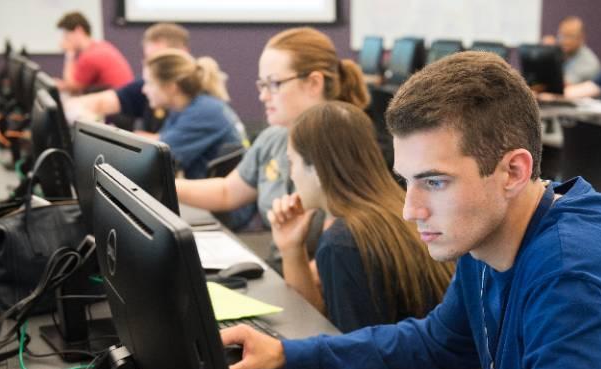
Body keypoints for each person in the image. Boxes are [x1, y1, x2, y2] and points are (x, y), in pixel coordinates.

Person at [221, 51, 601, 369]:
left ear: (513, 171)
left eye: (435, 182)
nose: (410, 209)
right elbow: (435, 344)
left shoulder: (573, 279)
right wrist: (290, 354)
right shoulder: (492, 233)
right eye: (407, 181)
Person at [268, 101, 454, 333]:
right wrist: (291, 249)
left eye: (291, 162)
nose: (291, 175)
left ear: (315, 169)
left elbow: (348, 350)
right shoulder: (396, 209)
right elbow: (322, 324)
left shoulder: (343, 242)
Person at [175, 27, 370, 232]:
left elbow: (337, 254)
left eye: (274, 83)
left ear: (314, 83)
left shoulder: (346, 150)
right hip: (282, 260)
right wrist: (161, 186)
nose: (263, 96)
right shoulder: (274, 137)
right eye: (262, 85)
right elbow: (227, 192)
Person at [140, 49, 247, 180]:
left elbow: (154, 158)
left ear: (171, 87)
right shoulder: (186, 109)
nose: (144, 90)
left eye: (149, 83)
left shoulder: (205, 112)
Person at [64, 22, 189, 131]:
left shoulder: (195, 99)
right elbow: (93, 102)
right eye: (149, 59)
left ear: (183, 54)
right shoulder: (144, 86)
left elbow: (167, 143)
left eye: (160, 59)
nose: (152, 66)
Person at [55, 11, 134, 94]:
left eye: (66, 35)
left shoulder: (90, 56)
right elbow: (76, 84)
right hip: (120, 98)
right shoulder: (100, 46)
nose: (64, 40)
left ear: (78, 30)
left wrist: (69, 53)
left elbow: (72, 88)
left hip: (118, 103)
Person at [554, 16, 601, 84]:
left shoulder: (588, 63)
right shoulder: (563, 54)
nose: (563, 41)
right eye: (561, 35)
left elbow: (563, 86)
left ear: (581, 38)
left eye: (569, 36)